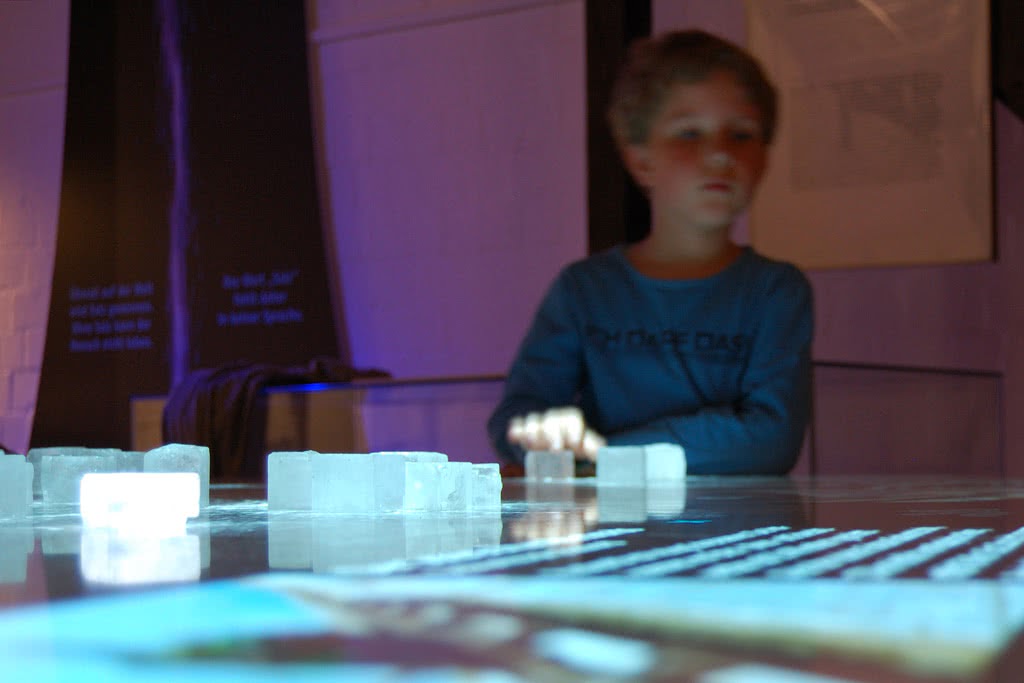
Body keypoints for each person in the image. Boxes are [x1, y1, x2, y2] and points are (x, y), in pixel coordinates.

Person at [487, 29, 813, 475]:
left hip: (735, 521)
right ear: (641, 159)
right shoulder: (584, 290)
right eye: (689, 133)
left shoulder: (776, 291)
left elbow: (770, 439)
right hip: (607, 519)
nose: (720, 154)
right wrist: (544, 442)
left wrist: (601, 457)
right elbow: (519, 419)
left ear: (765, 157)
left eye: (741, 134)